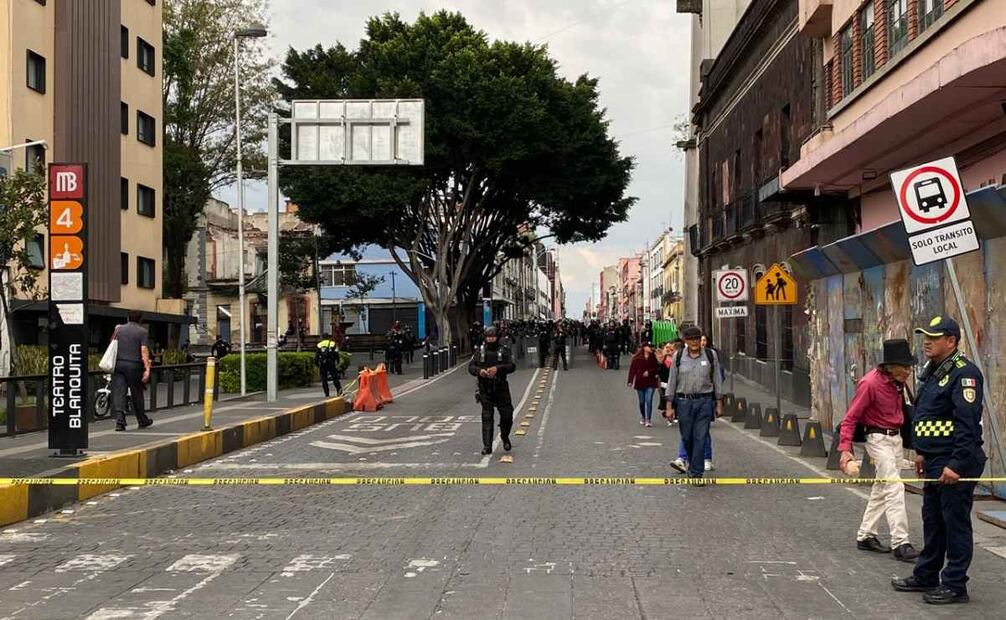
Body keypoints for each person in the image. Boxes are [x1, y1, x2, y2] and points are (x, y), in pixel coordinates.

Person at [892, 316, 986, 605]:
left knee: (955, 523)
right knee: (933, 521)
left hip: (954, 462)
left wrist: (956, 464)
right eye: (925, 336)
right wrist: (921, 451)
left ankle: (956, 584)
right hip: (934, 459)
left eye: (934, 336)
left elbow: (967, 425)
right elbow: (928, 417)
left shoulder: (964, 374)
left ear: (951, 341)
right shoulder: (934, 371)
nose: (927, 341)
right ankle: (927, 574)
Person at [838, 339, 919, 562]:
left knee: (882, 487)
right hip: (878, 439)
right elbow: (850, 418)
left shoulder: (897, 382)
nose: (908, 370)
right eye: (904, 366)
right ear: (891, 365)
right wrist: (845, 450)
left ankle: (866, 535)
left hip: (895, 439)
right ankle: (901, 542)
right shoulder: (870, 384)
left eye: (909, 366)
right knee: (894, 488)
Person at [665, 326, 723, 482]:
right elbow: (672, 382)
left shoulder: (711, 356)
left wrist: (719, 403)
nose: (695, 342)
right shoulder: (678, 357)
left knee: (701, 436)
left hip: (705, 401)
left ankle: (696, 472)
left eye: (697, 339)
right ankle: (692, 464)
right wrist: (669, 406)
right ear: (686, 341)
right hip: (683, 402)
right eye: (691, 339)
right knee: (687, 437)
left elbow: (717, 379)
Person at [468, 326, 516, 455]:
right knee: (487, 417)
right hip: (485, 388)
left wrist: (498, 369)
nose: (490, 339)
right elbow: (471, 366)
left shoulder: (504, 350)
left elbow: (512, 366)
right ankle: (487, 445)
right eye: (488, 337)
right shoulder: (480, 351)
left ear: (497, 337)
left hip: (501, 388)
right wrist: (479, 371)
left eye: (493, 337)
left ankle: (505, 436)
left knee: (507, 415)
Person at [112, 310, 153, 432]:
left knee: (119, 392)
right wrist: (147, 369)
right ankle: (142, 420)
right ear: (140, 319)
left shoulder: (119, 329)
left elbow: (112, 344)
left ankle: (120, 422)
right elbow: (144, 350)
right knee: (136, 393)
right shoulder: (142, 332)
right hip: (134, 365)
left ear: (128, 317)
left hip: (118, 364)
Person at [627, 342, 660, 427]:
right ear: (644, 348)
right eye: (649, 347)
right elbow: (632, 370)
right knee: (642, 402)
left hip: (650, 382)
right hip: (640, 382)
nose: (650, 348)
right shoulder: (637, 358)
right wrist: (630, 381)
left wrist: (649, 372)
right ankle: (643, 416)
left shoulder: (653, 357)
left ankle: (648, 419)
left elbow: (657, 368)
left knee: (649, 400)